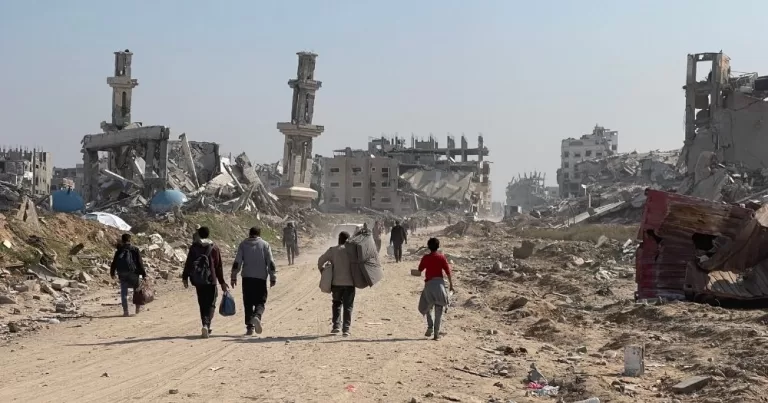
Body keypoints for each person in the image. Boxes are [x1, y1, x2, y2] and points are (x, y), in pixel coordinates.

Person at [182, 227, 227, 339]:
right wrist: (222, 282)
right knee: (211, 302)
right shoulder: (214, 248)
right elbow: (218, 266)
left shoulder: (194, 248)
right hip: (211, 279)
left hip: (198, 280)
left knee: (202, 303)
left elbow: (188, 263)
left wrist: (185, 277)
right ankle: (207, 324)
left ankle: (205, 324)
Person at [231, 227, 277, 336]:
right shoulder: (265, 245)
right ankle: (257, 316)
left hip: (247, 278)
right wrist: (273, 276)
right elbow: (270, 262)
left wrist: (233, 276)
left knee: (248, 302)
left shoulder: (243, 244)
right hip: (260, 278)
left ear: (249, 233)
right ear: (259, 234)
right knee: (260, 301)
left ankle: (249, 327)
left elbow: (237, 262)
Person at [317, 231, 355, 336]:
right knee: (348, 306)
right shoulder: (352, 251)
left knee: (337, 304)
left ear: (339, 239)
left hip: (336, 283)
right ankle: (346, 329)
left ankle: (336, 326)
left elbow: (320, 261)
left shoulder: (333, 250)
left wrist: (323, 271)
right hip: (350, 283)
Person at [418, 237, 454, 341]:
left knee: (427, 306)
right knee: (439, 309)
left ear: (428, 247)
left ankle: (430, 326)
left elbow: (420, 269)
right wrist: (451, 285)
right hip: (440, 286)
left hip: (429, 285)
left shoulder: (426, 258)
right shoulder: (441, 257)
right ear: (438, 246)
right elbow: (448, 272)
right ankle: (436, 334)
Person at [110, 233, 147, 317]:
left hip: (122, 273)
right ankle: (137, 308)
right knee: (137, 290)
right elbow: (140, 263)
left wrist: (112, 273)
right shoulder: (135, 249)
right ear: (130, 240)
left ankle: (125, 311)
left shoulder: (119, 250)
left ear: (122, 240)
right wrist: (144, 274)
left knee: (124, 292)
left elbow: (114, 263)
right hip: (134, 273)